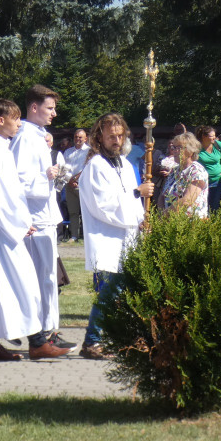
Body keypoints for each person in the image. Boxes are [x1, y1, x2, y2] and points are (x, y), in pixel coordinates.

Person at [0, 99, 68, 361]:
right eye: (15, 119)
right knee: (22, 283)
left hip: (5, 224)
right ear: (1, 120)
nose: (19, 124)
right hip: (3, 227)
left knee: (7, 285)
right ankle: (37, 343)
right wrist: (20, 223)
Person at [78, 113, 155, 360]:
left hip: (128, 235)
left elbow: (131, 202)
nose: (117, 140)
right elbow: (103, 204)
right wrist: (137, 192)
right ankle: (92, 340)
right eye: (112, 136)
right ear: (99, 136)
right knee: (111, 291)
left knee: (125, 291)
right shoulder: (95, 166)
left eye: (120, 136)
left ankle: (124, 338)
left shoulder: (124, 164)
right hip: (107, 237)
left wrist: (141, 219)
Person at [11, 84, 72, 349]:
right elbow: (17, 180)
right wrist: (45, 176)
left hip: (45, 214)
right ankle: (43, 333)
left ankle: (48, 329)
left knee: (48, 277)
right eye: (50, 108)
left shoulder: (38, 136)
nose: (54, 113)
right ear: (34, 107)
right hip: (34, 218)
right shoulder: (25, 137)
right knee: (41, 278)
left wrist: (55, 176)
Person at [162, 132, 209, 217]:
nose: (174, 151)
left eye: (179, 148)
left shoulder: (197, 170)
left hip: (190, 222)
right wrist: (160, 214)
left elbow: (187, 200)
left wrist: (165, 214)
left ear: (190, 151)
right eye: (173, 147)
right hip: (169, 220)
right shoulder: (174, 171)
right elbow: (162, 196)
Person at [63, 129, 90, 242]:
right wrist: (70, 180)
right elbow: (64, 168)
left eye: (80, 137)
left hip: (83, 185)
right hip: (69, 185)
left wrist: (77, 178)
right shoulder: (68, 152)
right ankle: (74, 235)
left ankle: (86, 235)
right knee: (73, 211)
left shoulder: (89, 151)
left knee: (86, 211)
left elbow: (88, 167)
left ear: (85, 139)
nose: (78, 139)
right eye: (76, 137)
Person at [195, 126, 221, 212]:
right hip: (201, 182)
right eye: (211, 136)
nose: (214, 138)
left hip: (217, 181)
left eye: (214, 135)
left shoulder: (218, 145)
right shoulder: (196, 148)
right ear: (204, 137)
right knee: (201, 207)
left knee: (214, 207)